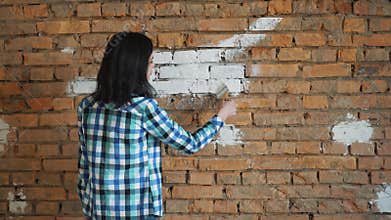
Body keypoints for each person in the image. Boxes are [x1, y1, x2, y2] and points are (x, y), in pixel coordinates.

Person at [77, 31, 237, 220]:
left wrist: (89, 208)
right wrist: (221, 116)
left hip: (99, 211)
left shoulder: (86, 106)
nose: (153, 68)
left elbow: (84, 166)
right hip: (138, 212)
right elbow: (190, 144)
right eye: (151, 61)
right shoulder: (144, 108)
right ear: (136, 67)